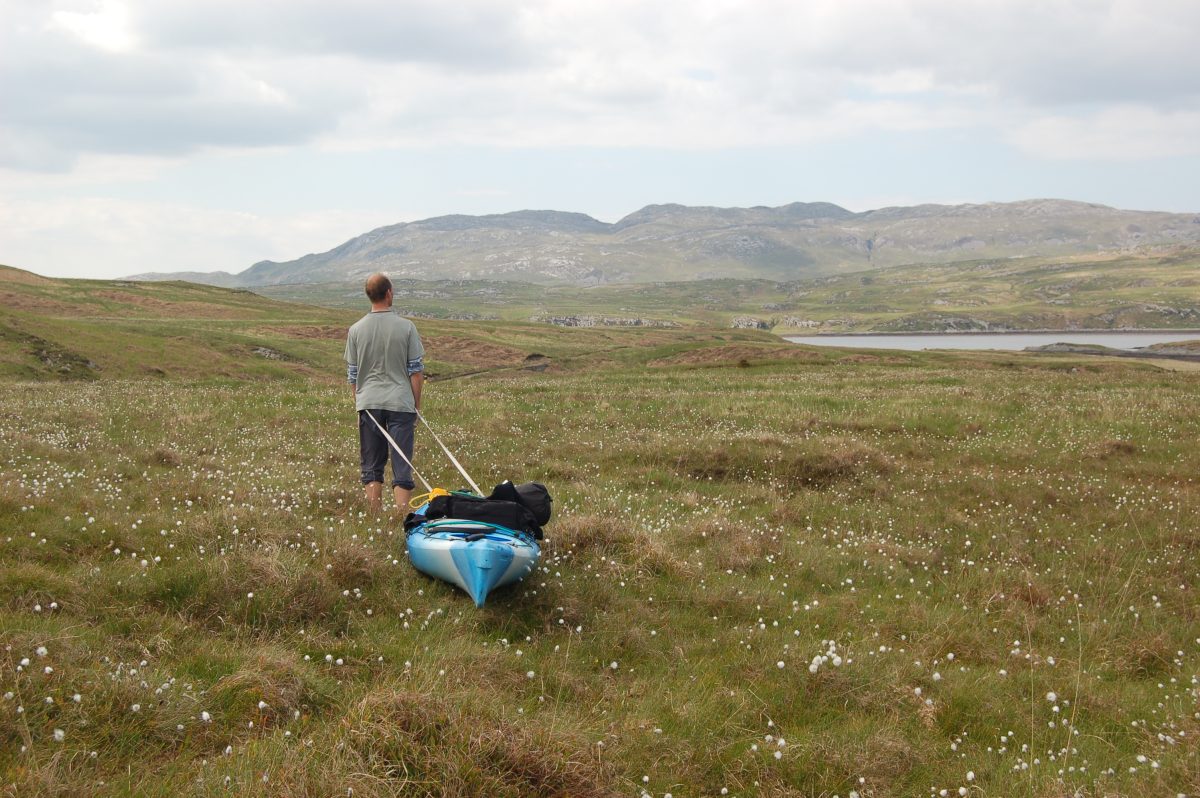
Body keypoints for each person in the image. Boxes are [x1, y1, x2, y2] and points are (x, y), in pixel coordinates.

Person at [345, 273, 425, 514]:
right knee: (402, 461)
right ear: (389, 293)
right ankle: (402, 515)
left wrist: (359, 402)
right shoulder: (407, 327)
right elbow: (416, 371)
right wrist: (416, 405)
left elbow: (353, 374)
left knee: (371, 461)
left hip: (368, 403)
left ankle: (374, 514)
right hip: (401, 402)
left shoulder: (356, 329)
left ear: (369, 295)